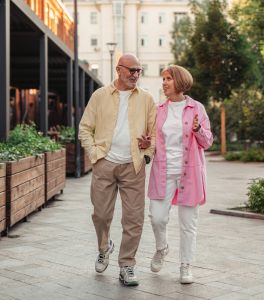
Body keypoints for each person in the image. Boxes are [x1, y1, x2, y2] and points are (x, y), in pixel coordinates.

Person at [79, 54, 156, 286]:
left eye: (139, 71)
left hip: (133, 165)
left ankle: (127, 265)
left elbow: (153, 134)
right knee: (101, 214)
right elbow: (85, 128)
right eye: (131, 70)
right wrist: (95, 155)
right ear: (118, 70)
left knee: (134, 218)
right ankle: (104, 248)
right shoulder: (100, 96)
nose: (135, 75)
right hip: (105, 162)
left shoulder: (147, 99)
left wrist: (146, 151)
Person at [148, 65, 213, 284]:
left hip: (189, 173)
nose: (164, 82)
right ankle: (161, 248)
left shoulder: (197, 108)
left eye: (168, 79)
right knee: (157, 218)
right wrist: (146, 143)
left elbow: (208, 142)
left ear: (180, 82)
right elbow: (152, 140)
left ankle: (186, 265)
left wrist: (197, 130)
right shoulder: (158, 110)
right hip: (163, 171)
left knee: (188, 224)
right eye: (163, 79)